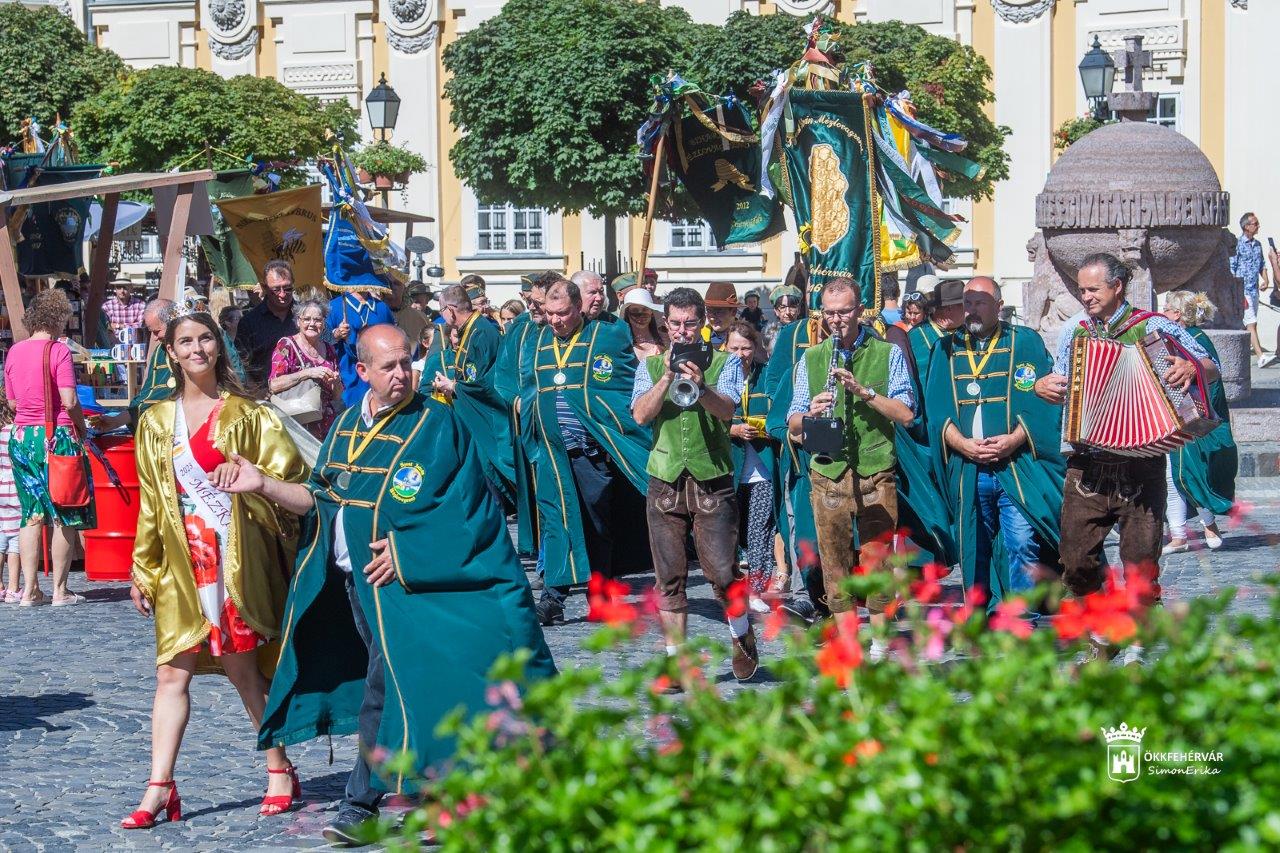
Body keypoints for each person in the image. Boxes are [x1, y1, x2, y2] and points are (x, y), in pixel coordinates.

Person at [231, 324, 556, 845]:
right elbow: (321, 499)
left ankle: (368, 802)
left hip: (414, 587)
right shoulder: (343, 429)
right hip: (354, 586)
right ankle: (419, 799)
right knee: (397, 687)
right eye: (389, 366)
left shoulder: (436, 423)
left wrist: (408, 553)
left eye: (407, 362)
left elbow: (470, 510)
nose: (402, 373)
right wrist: (264, 485)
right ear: (362, 371)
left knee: (399, 687)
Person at [124, 307, 309, 828]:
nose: (197, 349)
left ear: (218, 347)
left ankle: (278, 769)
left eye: (206, 339)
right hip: (182, 563)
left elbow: (290, 483)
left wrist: (253, 483)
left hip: (233, 558)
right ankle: (159, 786)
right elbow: (152, 504)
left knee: (242, 670)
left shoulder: (250, 415)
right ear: (172, 352)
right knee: (170, 673)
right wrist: (143, 567)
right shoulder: (156, 422)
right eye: (185, 342)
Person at [1035, 252, 1219, 609]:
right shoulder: (1076, 330)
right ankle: (1102, 626)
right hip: (1086, 460)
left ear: (1117, 287)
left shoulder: (1153, 326)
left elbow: (1212, 365)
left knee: (1140, 567)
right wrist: (1042, 387)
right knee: (1075, 561)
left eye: (1093, 289)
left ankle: (1135, 642)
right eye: (1081, 290)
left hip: (1142, 461)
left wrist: (1191, 367)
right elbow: (1059, 382)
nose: (1085, 296)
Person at [631, 289, 757, 682]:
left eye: (690, 323)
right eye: (675, 324)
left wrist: (701, 387)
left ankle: (741, 635)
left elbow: (728, 411)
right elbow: (639, 415)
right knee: (668, 576)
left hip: (712, 480)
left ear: (702, 323)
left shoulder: (725, 362)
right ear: (665, 325)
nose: (683, 331)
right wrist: (668, 373)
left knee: (721, 573)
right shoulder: (650, 366)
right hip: (665, 479)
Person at [787, 278, 915, 650]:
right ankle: (849, 644)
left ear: (860, 310)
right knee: (834, 564)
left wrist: (865, 392)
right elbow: (792, 421)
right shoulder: (811, 358)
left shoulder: (887, 353)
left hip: (875, 472)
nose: (837, 320)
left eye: (844, 312)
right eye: (830, 313)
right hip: (828, 474)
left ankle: (878, 644)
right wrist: (808, 413)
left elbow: (905, 414)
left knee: (877, 561)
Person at [926, 277, 1065, 608]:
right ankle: (982, 614)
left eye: (979, 302)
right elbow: (935, 408)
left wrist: (1014, 439)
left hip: (1015, 465)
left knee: (1021, 541)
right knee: (975, 544)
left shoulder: (1026, 343)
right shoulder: (945, 348)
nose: (971, 310)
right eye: (967, 303)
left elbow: (1042, 404)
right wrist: (962, 444)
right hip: (968, 467)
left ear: (998, 307)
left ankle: (1021, 620)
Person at [524, 279, 652, 625]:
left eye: (562, 313)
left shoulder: (607, 335)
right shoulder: (537, 342)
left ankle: (600, 595)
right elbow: (525, 390)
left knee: (597, 525)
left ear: (578, 307)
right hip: (552, 453)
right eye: (549, 314)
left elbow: (622, 387)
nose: (555, 320)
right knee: (556, 524)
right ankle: (553, 598)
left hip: (589, 452)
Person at [3, 288, 94, 607]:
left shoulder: (14, 352)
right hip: (57, 439)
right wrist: (82, 428)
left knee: (31, 515)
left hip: (22, 438)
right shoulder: (58, 351)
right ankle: (60, 590)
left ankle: (28, 591)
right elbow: (69, 401)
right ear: (59, 319)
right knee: (64, 515)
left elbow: (13, 401)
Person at [420, 284, 515, 500]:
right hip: (472, 417)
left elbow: (483, 382)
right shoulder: (470, 330)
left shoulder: (481, 332)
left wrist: (453, 387)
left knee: (493, 478)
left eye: (442, 311)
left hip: (488, 418)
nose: (441, 317)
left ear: (450, 310)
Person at [1161, 290, 1235, 553]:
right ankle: (1178, 535)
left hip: (1191, 417)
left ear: (1177, 314)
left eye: (1166, 309)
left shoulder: (1196, 339)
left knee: (1192, 473)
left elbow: (1212, 375)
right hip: (1173, 414)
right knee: (1172, 475)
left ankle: (1208, 525)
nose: (1162, 313)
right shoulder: (1171, 338)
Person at [725, 321, 778, 613]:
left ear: (755, 349)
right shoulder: (718, 376)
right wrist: (733, 430)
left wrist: (765, 428)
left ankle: (756, 589)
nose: (740, 354)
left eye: (746, 348)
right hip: (729, 468)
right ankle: (731, 589)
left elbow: (779, 413)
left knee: (760, 531)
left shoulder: (766, 375)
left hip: (761, 468)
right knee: (731, 532)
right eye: (734, 347)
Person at [268, 299, 343, 440]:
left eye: (317, 320)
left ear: (324, 323)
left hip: (327, 426)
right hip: (298, 425)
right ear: (298, 322)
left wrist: (336, 384)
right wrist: (307, 373)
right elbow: (274, 385)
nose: (312, 324)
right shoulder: (286, 345)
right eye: (307, 319)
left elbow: (337, 396)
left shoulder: (329, 348)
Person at [327, 287, 396, 408]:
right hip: (347, 379)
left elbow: (393, 341)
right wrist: (336, 334)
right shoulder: (334, 307)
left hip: (379, 378)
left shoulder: (381, 307)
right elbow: (322, 341)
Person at [234, 261, 299, 387]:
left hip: (305, 396)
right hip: (265, 397)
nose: (282, 294)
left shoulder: (307, 317)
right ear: (265, 288)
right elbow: (240, 363)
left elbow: (325, 346)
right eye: (276, 289)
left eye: (287, 288)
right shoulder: (249, 322)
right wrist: (256, 391)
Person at [1229, 212, 1272, 367]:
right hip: (1243, 290)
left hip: (1254, 290)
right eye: (1255, 223)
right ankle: (1261, 357)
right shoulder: (1237, 244)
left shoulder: (1258, 244)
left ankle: (1241, 354)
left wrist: (1266, 280)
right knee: (1251, 322)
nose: (1258, 226)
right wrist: (1236, 291)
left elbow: (1261, 264)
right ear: (1246, 227)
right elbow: (1232, 268)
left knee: (1250, 323)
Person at [906, 278, 965, 379]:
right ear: (949, 308)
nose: (969, 311)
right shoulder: (916, 336)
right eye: (966, 305)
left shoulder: (969, 332)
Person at [0, 395, 22, 603]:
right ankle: (14, 587)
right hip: (14, 489)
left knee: (0, 538)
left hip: (0, 491)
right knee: (15, 541)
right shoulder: (16, 432)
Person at [385, 278, 431, 358]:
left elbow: (429, 347)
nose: (392, 287)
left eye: (396, 283)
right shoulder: (373, 313)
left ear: (404, 288)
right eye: (388, 283)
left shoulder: (419, 317)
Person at [621, 287, 666, 361]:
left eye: (645, 309)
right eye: (635, 310)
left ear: (651, 312)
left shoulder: (665, 338)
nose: (641, 315)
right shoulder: (622, 341)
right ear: (627, 314)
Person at [102, 277, 146, 343]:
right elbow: (105, 328)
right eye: (119, 287)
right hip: (113, 345)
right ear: (115, 289)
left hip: (135, 345)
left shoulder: (140, 305)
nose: (122, 291)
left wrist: (118, 326)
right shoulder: (107, 306)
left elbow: (141, 326)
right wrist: (131, 325)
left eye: (125, 287)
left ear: (131, 288)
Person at [704, 282, 739, 349]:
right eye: (708, 310)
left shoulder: (747, 338)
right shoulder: (700, 335)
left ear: (734, 311)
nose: (712, 318)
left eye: (718, 311)